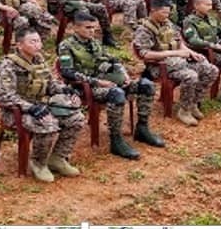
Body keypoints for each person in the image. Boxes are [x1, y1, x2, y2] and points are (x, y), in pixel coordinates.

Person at [58, 12, 164, 159]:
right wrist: (97, 82)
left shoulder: (94, 42)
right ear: (75, 28)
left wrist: (124, 75)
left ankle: (142, 128)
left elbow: (113, 59)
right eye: (88, 28)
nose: (92, 31)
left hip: (107, 81)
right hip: (85, 87)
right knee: (117, 94)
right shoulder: (66, 46)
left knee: (146, 85)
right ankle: (116, 140)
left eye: (94, 28)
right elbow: (67, 72)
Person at [0, 27, 85, 182]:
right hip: (15, 112)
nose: (38, 45)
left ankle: (58, 158)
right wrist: (30, 108)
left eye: (39, 41)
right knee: (48, 123)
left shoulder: (39, 60)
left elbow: (51, 84)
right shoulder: (7, 65)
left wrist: (66, 90)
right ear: (19, 45)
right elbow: (4, 96)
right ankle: (39, 163)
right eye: (32, 42)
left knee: (76, 118)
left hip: (41, 106)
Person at [132, 0, 219, 126]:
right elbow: (145, 54)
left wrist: (191, 52)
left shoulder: (168, 24)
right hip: (159, 67)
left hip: (179, 63)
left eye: (168, 13)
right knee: (191, 76)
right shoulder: (144, 29)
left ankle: (193, 103)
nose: (166, 15)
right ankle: (184, 111)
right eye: (163, 12)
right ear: (153, 10)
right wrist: (175, 53)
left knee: (211, 70)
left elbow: (179, 43)